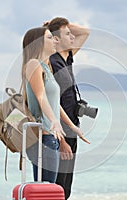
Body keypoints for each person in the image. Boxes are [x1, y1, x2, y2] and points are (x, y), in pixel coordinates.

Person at [21, 27, 89, 184]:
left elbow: (54, 104)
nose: (55, 41)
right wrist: (53, 121)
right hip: (43, 138)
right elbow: (40, 96)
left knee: (48, 190)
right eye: (50, 37)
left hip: (51, 137)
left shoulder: (47, 67)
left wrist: (72, 127)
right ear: (38, 43)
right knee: (47, 190)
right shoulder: (33, 64)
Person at [45, 17, 90, 199]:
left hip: (72, 128)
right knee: (57, 186)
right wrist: (52, 28)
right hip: (59, 130)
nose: (72, 36)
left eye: (71, 33)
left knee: (66, 189)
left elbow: (85, 32)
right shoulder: (51, 61)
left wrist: (60, 25)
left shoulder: (68, 57)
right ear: (56, 39)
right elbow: (51, 101)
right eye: (67, 34)